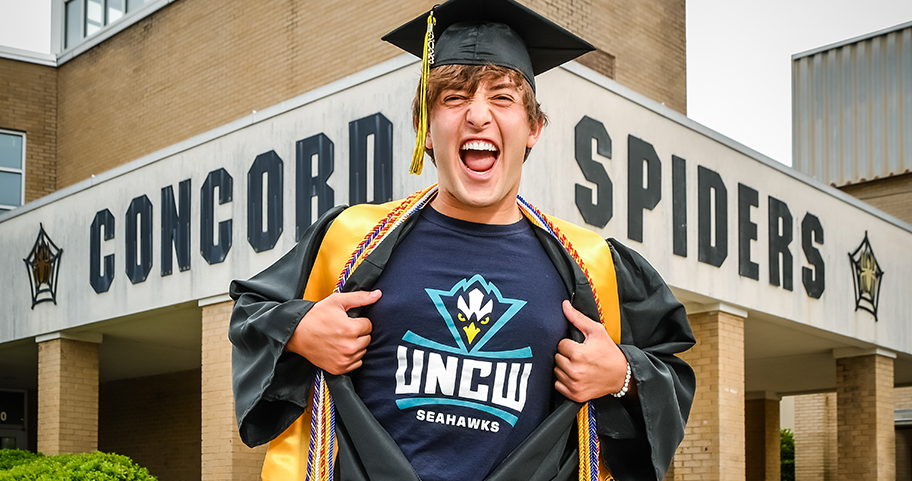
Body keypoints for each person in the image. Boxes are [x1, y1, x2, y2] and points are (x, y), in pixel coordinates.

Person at [229, 0, 695, 480]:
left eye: (502, 97)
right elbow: (251, 315)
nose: (477, 115)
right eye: (453, 98)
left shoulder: (591, 265)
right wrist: (301, 331)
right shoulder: (350, 240)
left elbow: (669, 374)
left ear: (534, 129)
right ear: (425, 130)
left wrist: (620, 378)